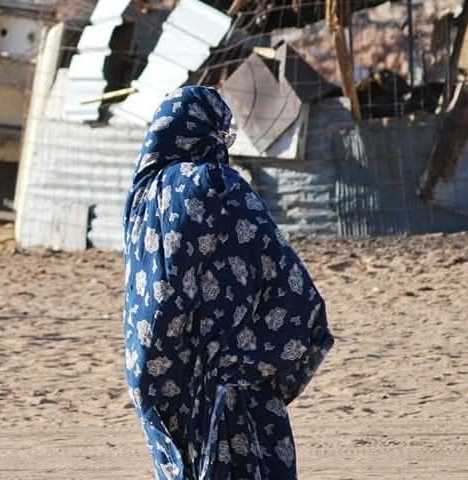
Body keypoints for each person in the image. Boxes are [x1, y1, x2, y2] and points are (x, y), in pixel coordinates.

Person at [122, 86, 334, 479]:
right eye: (224, 135)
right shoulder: (216, 184)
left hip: (156, 369)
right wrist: (267, 352)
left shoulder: (142, 193)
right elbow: (284, 274)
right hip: (228, 376)